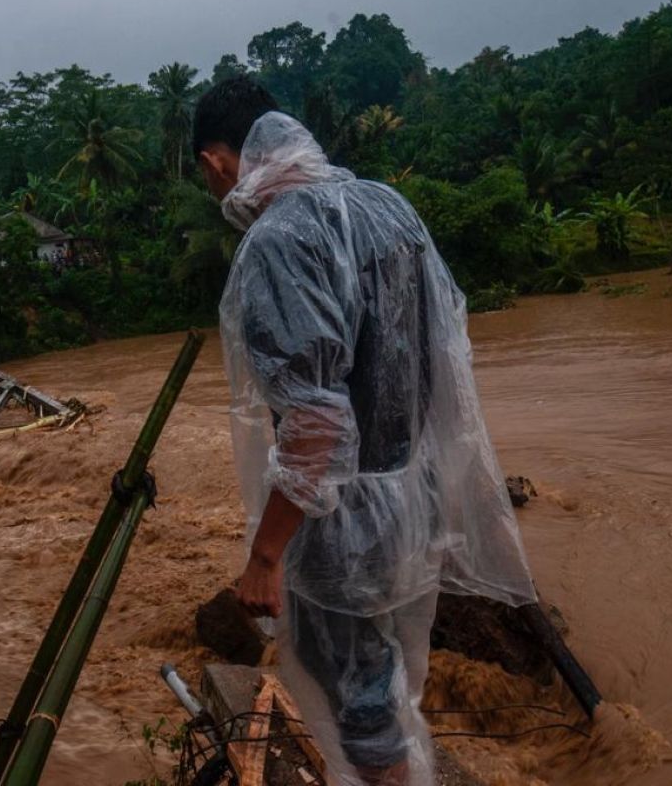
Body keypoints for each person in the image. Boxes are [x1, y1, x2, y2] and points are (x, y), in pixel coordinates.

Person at [193, 76, 537, 786]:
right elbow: (448, 360)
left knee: (360, 698)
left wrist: (264, 556)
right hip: (418, 492)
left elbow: (318, 424)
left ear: (218, 163)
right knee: (392, 678)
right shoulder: (389, 208)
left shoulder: (279, 241)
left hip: (345, 519)